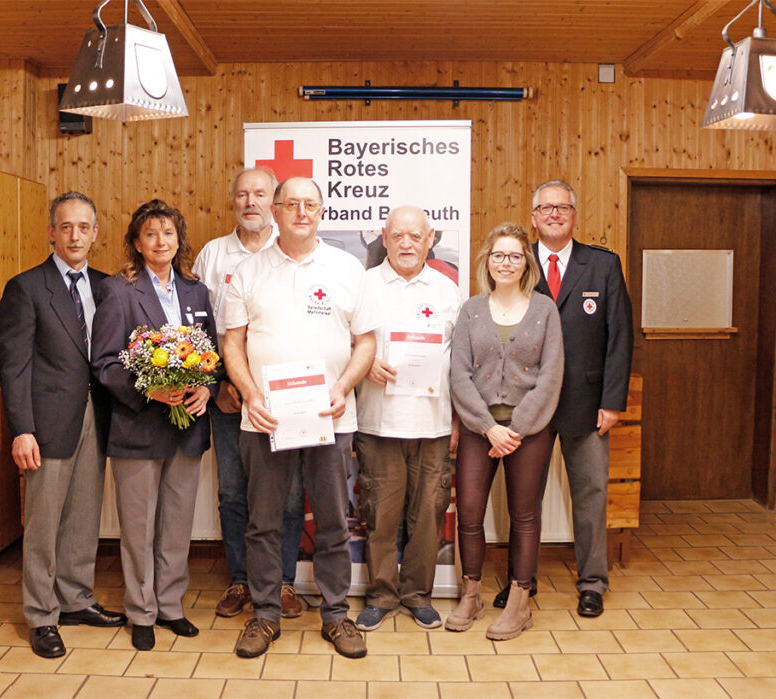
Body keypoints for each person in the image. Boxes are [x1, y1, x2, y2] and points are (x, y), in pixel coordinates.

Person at [223, 177, 378, 659]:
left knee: (333, 521)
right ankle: (265, 616)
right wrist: (251, 395)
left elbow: (367, 342)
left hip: (331, 416)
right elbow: (232, 343)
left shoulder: (348, 268)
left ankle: (336, 615)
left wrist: (342, 387)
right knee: (263, 522)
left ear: (322, 211)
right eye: (291, 204)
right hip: (265, 419)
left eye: (310, 204)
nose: (301, 213)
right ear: (275, 209)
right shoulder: (247, 272)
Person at [494, 180, 634, 618]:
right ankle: (522, 582)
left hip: (587, 403)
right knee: (524, 497)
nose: (554, 214)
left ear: (574, 215)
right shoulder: (516, 263)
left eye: (563, 208)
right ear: (533, 216)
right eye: (545, 208)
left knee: (590, 494)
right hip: (528, 405)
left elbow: (620, 338)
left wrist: (613, 401)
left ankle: (592, 582)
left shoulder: (603, 266)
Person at [0, 191, 126, 659]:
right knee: (45, 522)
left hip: (99, 417)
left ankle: (75, 599)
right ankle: (41, 615)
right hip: (46, 423)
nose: (76, 235)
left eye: (84, 227)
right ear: (51, 231)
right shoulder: (26, 288)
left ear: (95, 232)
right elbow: (14, 366)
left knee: (83, 517)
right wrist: (22, 429)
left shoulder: (109, 286)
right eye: (66, 226)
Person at [91, 199, 218, 651]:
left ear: (179, 239)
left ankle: (170, 606)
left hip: (186, 431)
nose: (160, 241)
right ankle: (140, 611)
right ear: (136, 242)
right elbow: (104, 364)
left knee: (176, 526)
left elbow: (212, 357)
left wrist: (207, 388)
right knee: (139, 528)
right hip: (138, 428)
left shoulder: (196, 291)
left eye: (168, 233)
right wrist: (149, 389)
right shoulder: (118, 291)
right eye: (150, 234)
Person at [192, 168, 306, 620]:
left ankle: (284, 583)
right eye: (242, 194)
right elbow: (199, 329)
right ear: (232, 202)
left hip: (285, 397)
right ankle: (241, 579)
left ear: (274, 202)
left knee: (291, 494)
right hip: (228, 397)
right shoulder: (213, 255)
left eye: (260, 194)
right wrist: (217, 382)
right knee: (234, 492)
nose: (251, 202)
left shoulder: (290, 251)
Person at [447, 222, 564, 640]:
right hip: (481, 429)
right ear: (487, 261)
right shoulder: (472, 310)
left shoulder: (545, 310)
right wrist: (487, 427)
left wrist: (514, 429)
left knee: (525, 516)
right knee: (471, 514)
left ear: (525, 263)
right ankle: (472, 593)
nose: (506, 262)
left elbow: (551, 377)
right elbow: (459, 374)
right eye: (499, 255)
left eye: (515, 255)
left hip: (528, 431)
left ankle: (519, 601)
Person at [352, 206, 460, 632]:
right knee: (379, 514)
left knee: (429, 513)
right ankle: (381, 594)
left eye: (416, 236)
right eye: (398, 236)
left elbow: (460, 358)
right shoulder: (365, 285)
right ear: (385, 237)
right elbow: (342, 341)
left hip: (434, 423)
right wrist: (366, 362)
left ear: (430, 238)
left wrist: (458, 421)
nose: (407, 244)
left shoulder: (448, 289)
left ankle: (418, 594)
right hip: (379, 422)